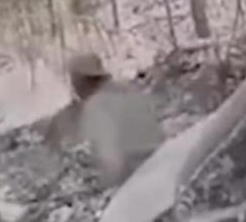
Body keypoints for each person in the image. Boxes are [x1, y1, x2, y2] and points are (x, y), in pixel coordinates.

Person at [45, 52, 164, 187]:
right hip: (159, 162)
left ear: (80, 81)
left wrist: (109, 189)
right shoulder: (130, 90)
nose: (74, 88)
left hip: (135, 174)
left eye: (74, 81)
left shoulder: (96, 105)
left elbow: (110, 156)